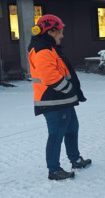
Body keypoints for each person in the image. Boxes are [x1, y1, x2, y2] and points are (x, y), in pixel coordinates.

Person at [28, 14, 91, 180]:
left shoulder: (50, 48)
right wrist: (70, 89)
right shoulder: (42, 51)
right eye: (60, 31)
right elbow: (50, 78)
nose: (62, 35)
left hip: (63, 99)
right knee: (56, 135)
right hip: (53, 100)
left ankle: (75, 159)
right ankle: (54, 170)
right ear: (50, 32)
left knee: (72, 129)